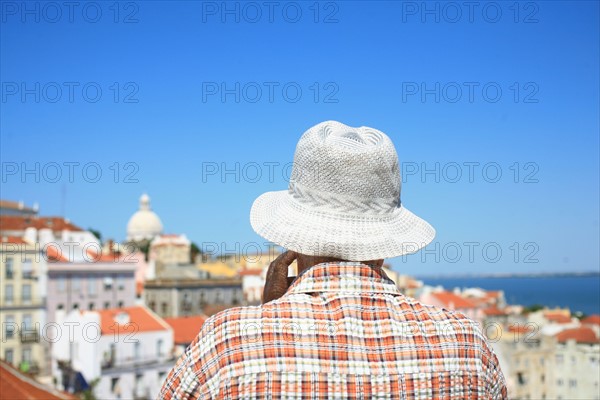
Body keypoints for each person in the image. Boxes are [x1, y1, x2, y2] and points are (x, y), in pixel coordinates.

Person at [159, 121, 507, 399]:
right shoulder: (466, 346)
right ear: (386, 236)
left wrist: (267, 318)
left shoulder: (226, 343)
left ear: (294, 236)